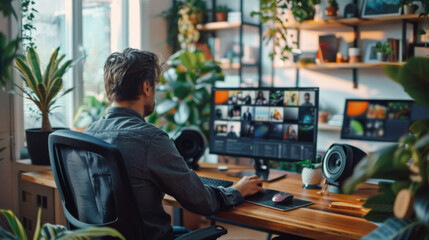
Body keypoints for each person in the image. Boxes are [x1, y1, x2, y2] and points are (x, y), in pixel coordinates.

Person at [84, 48, 264, 240]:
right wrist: (237, 190)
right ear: (146, 87)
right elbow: (201, 201)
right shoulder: (150, 139)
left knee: (184, 232)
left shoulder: (87, 136)